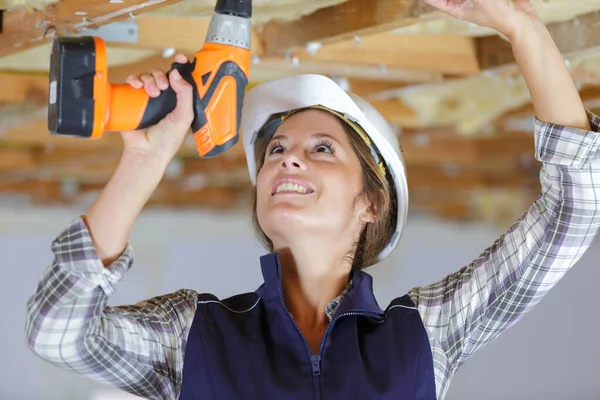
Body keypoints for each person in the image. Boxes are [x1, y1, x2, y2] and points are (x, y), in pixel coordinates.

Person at [25, 0, 600, 399]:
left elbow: (574, 210)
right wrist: (145, 161)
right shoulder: (193, 335)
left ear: (371, 204)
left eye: (320, 148)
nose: (286, 159)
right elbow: (56, 329)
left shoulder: (426, 335)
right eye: (276, 149)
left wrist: (522, 25)